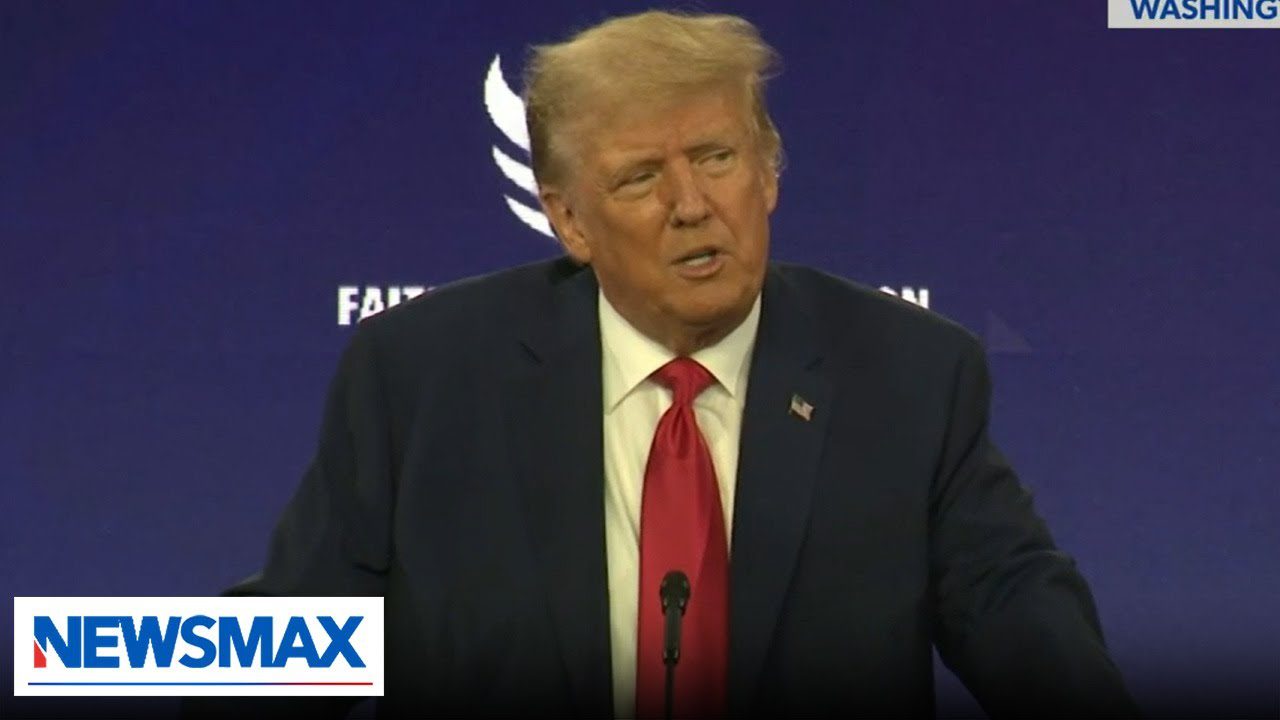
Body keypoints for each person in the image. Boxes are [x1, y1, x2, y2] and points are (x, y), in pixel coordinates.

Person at [198, 10, 1137, 719]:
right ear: (569, 219)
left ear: (769, 173)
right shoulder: (421, 378)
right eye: (642, 177)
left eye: (718, 157)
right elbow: (294, 643)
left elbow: (1016, 606)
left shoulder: (909, 375)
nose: (692, 205)